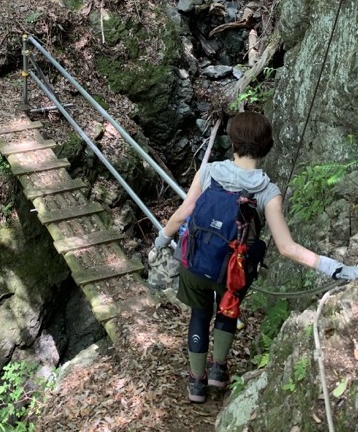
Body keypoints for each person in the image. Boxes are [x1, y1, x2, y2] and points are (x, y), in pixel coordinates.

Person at [152, 111, 358, 404]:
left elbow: (181, 216)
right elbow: (287, 248)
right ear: (267, 147)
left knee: (199, 315)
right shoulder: (268, 192)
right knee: (227, 309)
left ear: (232, 141)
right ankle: (218, 369)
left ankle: (196, 384)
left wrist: (160, 243)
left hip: (195, 263)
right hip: (232, 272)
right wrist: (339, 269)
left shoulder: (208, 172)